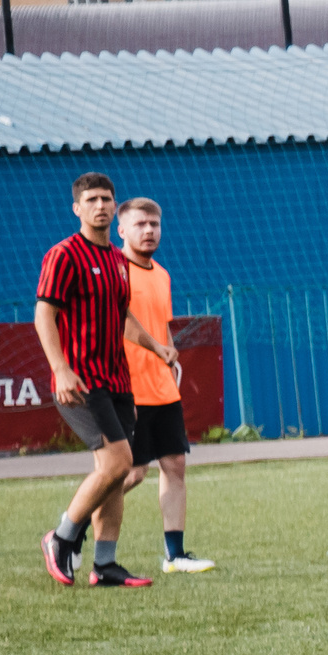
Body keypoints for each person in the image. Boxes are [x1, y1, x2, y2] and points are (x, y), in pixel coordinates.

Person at [35, 173, 177, 587]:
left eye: (106, 199)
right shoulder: (64, 255)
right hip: (80, 382)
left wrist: (156, 347)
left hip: (116, 382)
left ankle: (105, 565)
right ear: (77, 208)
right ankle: (61, 537)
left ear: (115, 207)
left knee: (116, 473)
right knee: (120, 463)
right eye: (91, 199)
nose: (100, 205)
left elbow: (122, 319)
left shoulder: (118, 261)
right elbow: (45, 314)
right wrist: (60, 368)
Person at [116, 198, 214, 573]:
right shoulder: (113, 272)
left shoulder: (162, 274)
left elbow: (158, 327)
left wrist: (167, 353)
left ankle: (175, 555)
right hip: (126, 387)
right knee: (130, 472)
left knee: (174, 465)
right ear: (121, 230)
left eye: (154, 224)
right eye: (140, 224)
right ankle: (71, 526)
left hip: (161, 386)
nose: (149, 230)